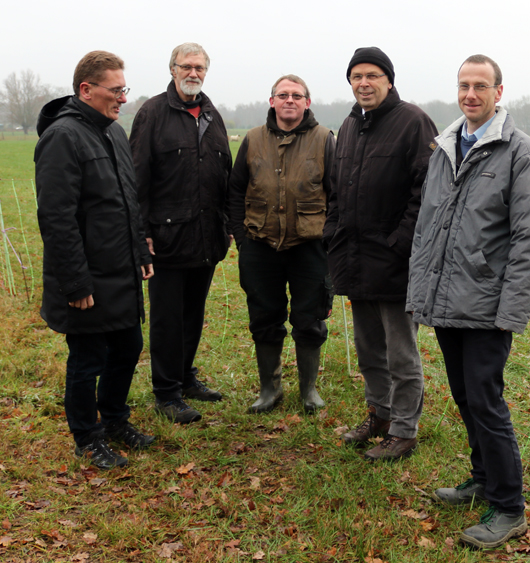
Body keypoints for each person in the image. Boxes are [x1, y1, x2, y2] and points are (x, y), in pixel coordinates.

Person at [406, 54, 530, 549]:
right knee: (466, 397)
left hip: (488, 309)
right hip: (448, 301)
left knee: (487, 402)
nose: (471, 94)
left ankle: (510, 506)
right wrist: (421, 292)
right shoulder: (445, 149)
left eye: (480, 86)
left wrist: (511, 312)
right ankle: (482, 480)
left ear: (499, 92)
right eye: (464, 86)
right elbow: (428, 226)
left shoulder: (521, 154)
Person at [34, 51, 156, 470]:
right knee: (88, 358)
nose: (123, 98)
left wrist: (140, 250)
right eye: (116, 89)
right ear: (86, 89)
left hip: (121, 270)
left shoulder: (114, 133)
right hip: (87, 276)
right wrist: (75, 282)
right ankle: (87, 437)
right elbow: (56, 217)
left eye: (125, 89)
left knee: (129, 346)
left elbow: (128, 201)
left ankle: (116, 420)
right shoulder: (62, 137)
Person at [324, 47, 438, 461]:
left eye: (372, 75)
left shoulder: (413, 122)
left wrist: (399, 244)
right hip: (354, 258)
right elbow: (337, 189)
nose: (363, 83)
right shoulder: (351, 125)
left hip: (394, 262)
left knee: (400, 352)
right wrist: (332, 233)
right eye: (356, 77)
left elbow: (425, 192)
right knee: (369, 348)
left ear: (389, 80)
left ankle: (405, 431)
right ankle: (380, 414)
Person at [129, 42, 232, 424]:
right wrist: (141, 234)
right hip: (166, 239)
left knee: (193, 313)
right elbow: (135, 180)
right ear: (171, 69)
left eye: (200, 67)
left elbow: (225, 175)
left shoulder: (211, 114)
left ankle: (186, 378)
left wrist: (226, 226)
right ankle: (166, 391)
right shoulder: (153, 113)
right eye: (186, 66)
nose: (193, 73)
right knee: (168, 318)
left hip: (206, 238)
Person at [227, 74, 335, 414]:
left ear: (307, 102)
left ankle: (308, 390)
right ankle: (269, 389)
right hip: (260, 245)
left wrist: (330, 241)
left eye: (297, 95)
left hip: (310, 247)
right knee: (264, 317)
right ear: (271, 101)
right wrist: (243, 239)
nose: (290, 100)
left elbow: (337, 195)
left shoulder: (324, 140)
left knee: (310, 319)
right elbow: (235, 191)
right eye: (283, 95)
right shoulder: (253, 139)